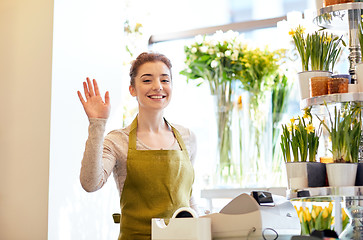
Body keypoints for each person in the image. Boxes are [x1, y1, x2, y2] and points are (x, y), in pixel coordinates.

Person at [77, 52, 198, 240]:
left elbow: (187, 201)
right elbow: (90, 184)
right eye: (147, 80)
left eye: (165, 80)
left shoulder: (186, 137)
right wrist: (97, 123)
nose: (158, 87)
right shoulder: (118, 141)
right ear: (132, 89)